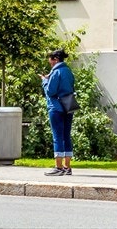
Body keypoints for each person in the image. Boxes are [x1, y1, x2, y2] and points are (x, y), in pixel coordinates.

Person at [42, 48, 75, 176]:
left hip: (56, 107)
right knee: (66, 135)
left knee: (57, 137)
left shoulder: (56, 72)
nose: (50, 63)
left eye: (50, 61)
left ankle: (58, 167)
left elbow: (50, 91)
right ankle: (67, 167)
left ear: (55, 59)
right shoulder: (68, 71)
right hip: (68, 105)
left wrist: (45, 81)